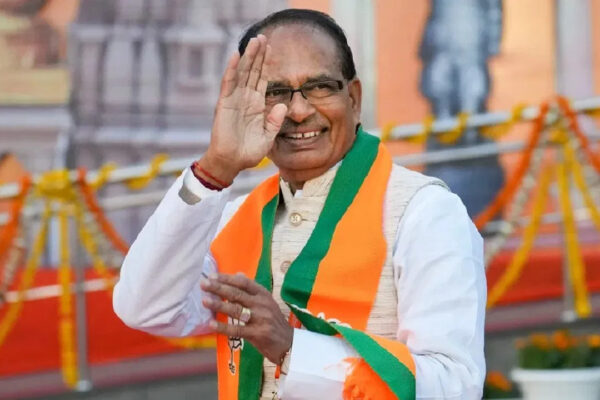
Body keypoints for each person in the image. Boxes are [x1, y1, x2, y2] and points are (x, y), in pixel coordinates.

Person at [114, 8, 486, 400]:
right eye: (274, 93)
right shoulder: (237, 219)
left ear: (354, 99)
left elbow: (455, 385)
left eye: (320, 87)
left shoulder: (423, 214)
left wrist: (292, 349)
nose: (298, 111)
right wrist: (216, 167)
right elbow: (145, 308)